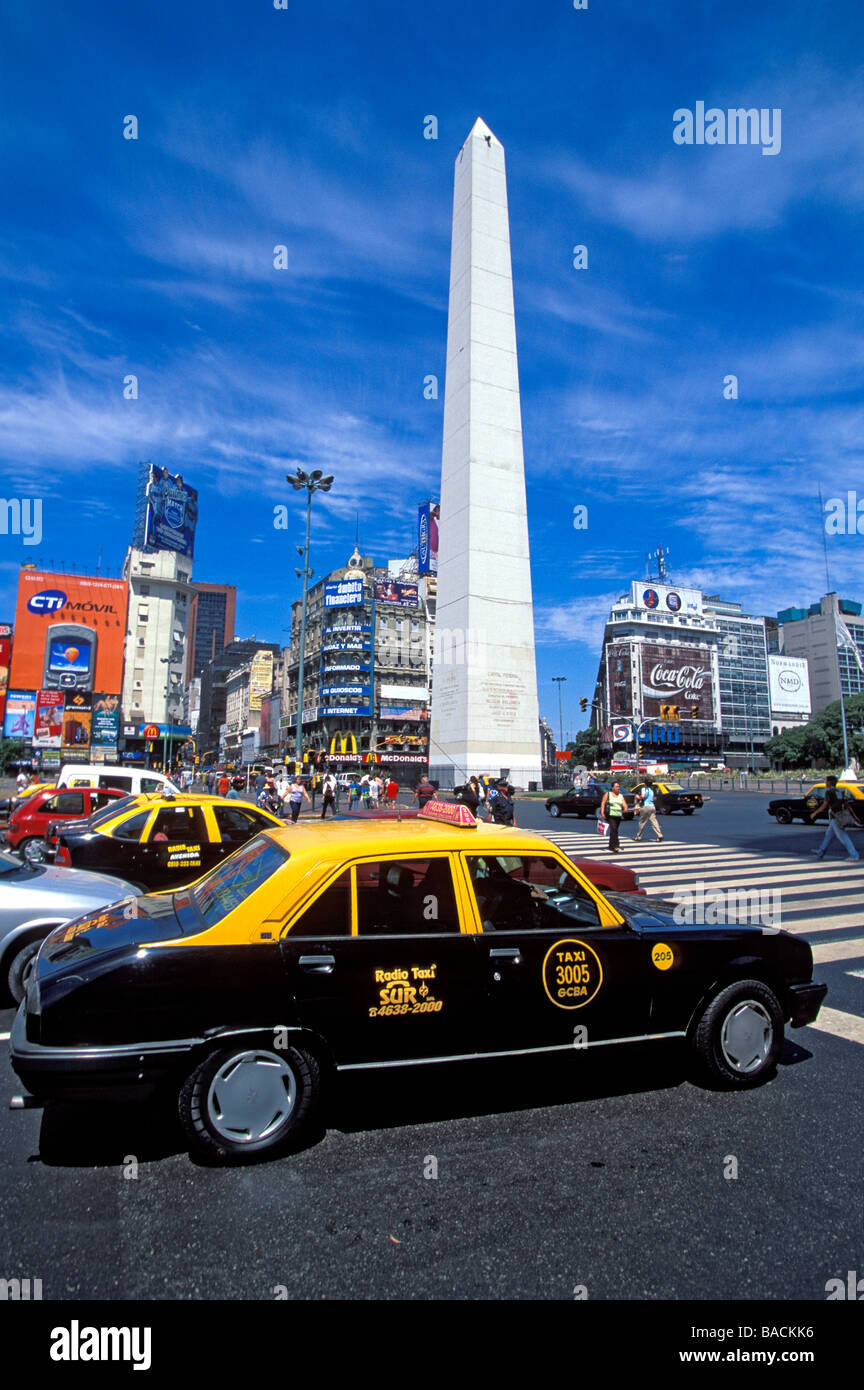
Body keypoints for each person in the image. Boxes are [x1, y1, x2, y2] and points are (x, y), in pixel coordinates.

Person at [809, 775, 860, 861]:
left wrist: (815, 813)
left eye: (826, 781)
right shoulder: (839, 792)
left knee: (843, 836)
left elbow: (824, 805)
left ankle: (854, 854)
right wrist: (854, 816)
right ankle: (821, 851)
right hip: (839, 816)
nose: (825, 783)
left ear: (829, 782)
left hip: (836, 817)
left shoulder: (828, 792)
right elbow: (847, 805)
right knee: (829, 835)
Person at [599, 780, 627, 853]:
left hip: (618, 815)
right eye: (616, 786)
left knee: (614, 830)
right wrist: (602, 813)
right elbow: (603, 803)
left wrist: (625, 808)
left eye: (619, 786)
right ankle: (616, 845)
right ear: (612, 788)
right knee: (614, 829)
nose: (618, 788)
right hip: (610, 814)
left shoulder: (620, 795)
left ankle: (611, 845)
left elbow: (624, 804)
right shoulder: (608, 794)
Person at [634, 779, 664, 843]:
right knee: (654, 822)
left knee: (642, 822)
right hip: (652, 806)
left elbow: (643, 796)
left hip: (645, 806)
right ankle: (659, 835)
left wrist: (637, 797)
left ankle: (638, 836)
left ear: (645, 783)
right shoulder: (651, 790)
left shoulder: (644, 789)